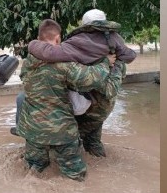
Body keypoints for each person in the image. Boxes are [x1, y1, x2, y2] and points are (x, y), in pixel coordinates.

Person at [16, 19, 126, 181]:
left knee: (34, 171)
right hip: (61, 131)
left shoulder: (27, 63)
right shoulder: (63, 65)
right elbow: (93, 79)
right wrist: (104, 62)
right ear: (58, 38)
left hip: (32, 129)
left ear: (39, 38)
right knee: (75, 176)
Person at [27, 9, 136, 157]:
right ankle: (96, 158)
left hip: (90, 105)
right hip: (103, 105)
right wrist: (109, 62)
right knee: (93, 139)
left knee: (70, 137)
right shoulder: (116, 44)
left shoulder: (77, 43)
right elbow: (129, 57)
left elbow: (51, 54)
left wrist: (33, 44)